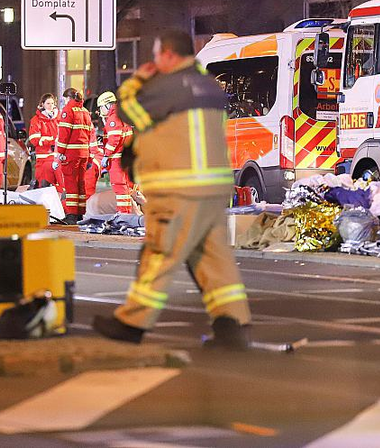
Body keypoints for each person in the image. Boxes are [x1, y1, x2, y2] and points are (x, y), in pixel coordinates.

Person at [92, 30, 252, 350]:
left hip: (178, 189)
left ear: (167, 54)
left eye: (155, 55)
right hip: (213, 188)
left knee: (158, 254)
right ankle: (231, 325)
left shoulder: (166, 87)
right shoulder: (208, 85)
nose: (153, 61)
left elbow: (126, 110)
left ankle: (132, 323)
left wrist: (139, 78)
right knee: (213, 259)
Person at [54, 88, 94, 224]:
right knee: (80, 183)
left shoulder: (67, 111)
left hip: (71, 153)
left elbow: (64, 134)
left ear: (68, 99)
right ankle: (80, 213)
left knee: (70, 183)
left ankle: (71, 214)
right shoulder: (85, 112)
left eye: (65, 99)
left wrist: (59, 152)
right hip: (83, 153)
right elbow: (89, 135)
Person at [97, 91, 134, 213]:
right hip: (125, 157)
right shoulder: (121, 114)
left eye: (101, 107)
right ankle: (127, 212)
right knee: (126, 186)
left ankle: (123, 213)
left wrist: (106, 155)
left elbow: (114, 139)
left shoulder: (113, 118)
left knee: (120, 186)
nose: (101, 110)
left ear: (107, 105)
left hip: (117, 158)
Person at [28, 93, 62, 194]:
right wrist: (51, 140)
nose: (50, 106)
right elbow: (34, 139)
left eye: (52, 103)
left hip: (57, 157)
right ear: (42, 104)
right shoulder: (36, 120)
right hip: (43, 158)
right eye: (48, 103)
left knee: (60, 185)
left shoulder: (59, 118)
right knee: (42, 185)